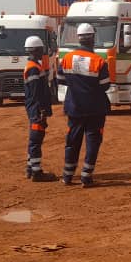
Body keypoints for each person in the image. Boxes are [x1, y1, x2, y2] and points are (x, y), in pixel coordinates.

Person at [56, 23, 110, 187]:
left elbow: (60, 80)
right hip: (95, 109)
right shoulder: (99, 61)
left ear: (78, 38)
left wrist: (77, 86)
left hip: (74, 107)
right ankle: (86, 177)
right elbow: (105, 85)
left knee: (72, 141)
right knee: (92, 142)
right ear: (92, 38)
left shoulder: (67, 59)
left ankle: (67, 176)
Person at [23, 35, 57, 182]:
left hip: (35, 108)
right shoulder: (33, 68)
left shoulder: (35, 66)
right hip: (36, 110)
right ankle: (36, 172)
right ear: (36, 50)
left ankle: (30, 168)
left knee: (35, 138)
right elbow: (36, 93)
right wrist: (41, 111)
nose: (43, 52)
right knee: (36, 139)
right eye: (41, 49)